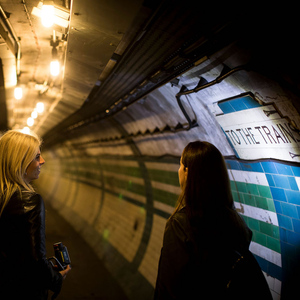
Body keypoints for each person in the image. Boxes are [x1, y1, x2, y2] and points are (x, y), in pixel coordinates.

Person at [154, 141, 272, 299]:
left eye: (180, 165)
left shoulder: (180, 225)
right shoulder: (235, 222)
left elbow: (168, 289)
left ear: (188, 172)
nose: (179, 170)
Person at [0, 130, 71, 299]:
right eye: (37, 157)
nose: (43, 161)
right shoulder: (30, 201)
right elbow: (35, 262)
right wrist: (57, 278)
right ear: (21, 162)